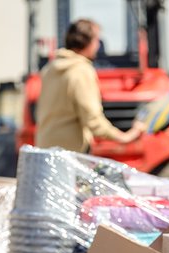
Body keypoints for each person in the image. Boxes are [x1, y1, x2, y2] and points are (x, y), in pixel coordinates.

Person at [35, 18, 146, 152]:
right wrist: (124, 137)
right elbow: (93, 120)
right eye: (96, 40)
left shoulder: (50, 69)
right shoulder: (81, 71)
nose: (98, 45)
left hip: (44, 148)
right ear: (87, 42)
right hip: (70, 154)